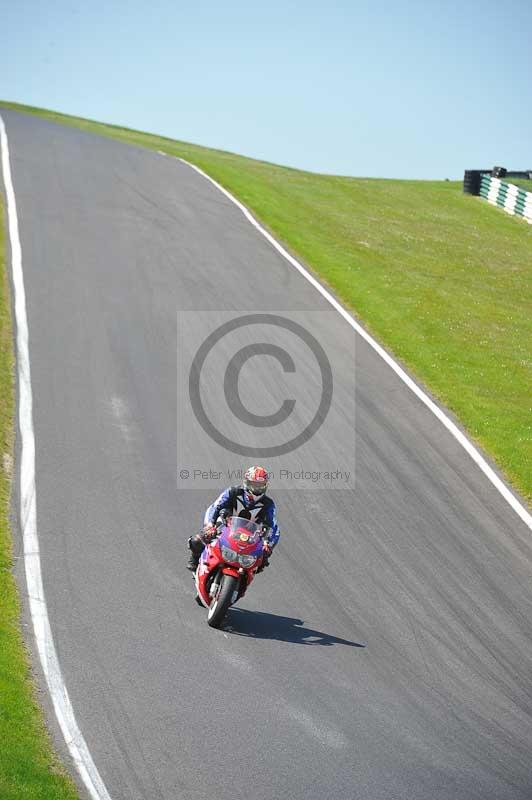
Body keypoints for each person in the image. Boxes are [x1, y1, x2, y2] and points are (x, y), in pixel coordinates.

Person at [187, 466, 280, 572]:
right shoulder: (233, 492)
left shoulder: (268, 504)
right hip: (225, 526)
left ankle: (246, 576)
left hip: (249, 536)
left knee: (263, 558)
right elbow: (215, 507)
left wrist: (268, 543)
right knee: (198, 540)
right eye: (254, 485)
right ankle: (195, 560)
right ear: (246, 483)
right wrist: (210, 525)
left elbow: (273, 527)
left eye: (260, 486)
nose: (256, 489)